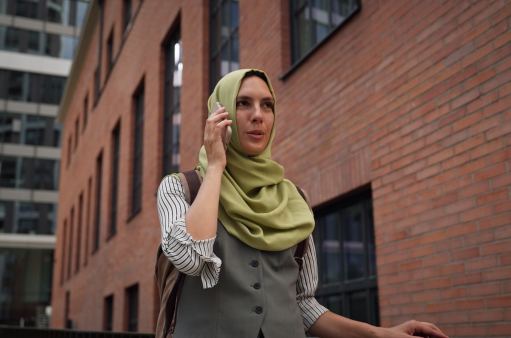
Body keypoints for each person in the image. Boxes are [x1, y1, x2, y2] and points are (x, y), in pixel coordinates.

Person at [157, 69, 449, 338]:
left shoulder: (295, 200)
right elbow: (190, 260)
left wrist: (380, 334)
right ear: (219, 114)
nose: (258, 115)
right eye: (243, 103)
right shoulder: (181, 189)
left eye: (267, 105)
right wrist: (216, 166)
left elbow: (303, 304)